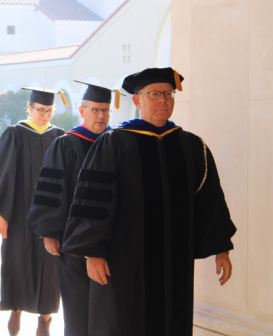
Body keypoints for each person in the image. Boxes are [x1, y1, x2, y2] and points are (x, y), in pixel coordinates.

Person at [62, 67, 237, 336]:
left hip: (174, 263)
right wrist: (93, 251)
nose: (162, 100)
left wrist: (221, 247)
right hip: (125, 263)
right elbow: (92, 200)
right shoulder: (114, 143)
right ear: (137, 100)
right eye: (154, 94)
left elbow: (209, 200)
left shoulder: (191, 146)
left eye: (168, 94)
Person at [27, 81, 118, 335]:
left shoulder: (118, 143)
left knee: (108, 309)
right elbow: (51, 189)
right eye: (95, 110)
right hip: (72, 240)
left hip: (110, 242)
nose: (101, 116)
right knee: (78, 306)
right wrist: (50, 231)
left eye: (106, 111)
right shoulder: (66, 143)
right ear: (82, 110)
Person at [0, 87, 66, 336]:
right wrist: (3, 214)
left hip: (50, 214)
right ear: (29, 108)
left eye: (49, 111)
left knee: (50, 264)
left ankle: (45, 319)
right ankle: (15, 310)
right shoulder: (15, 134)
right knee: (17, 261)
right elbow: (4, 174)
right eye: (39, 110)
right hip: (18, 212)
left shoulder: (59, 136)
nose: (44, 115)